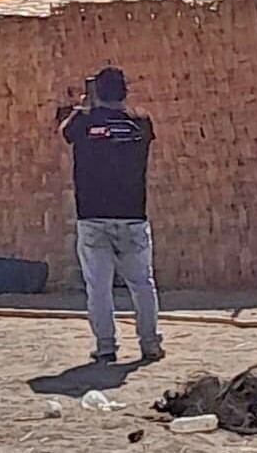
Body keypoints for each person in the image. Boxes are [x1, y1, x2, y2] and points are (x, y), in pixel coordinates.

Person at [59, 66, 163, 363]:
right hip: (132, 215)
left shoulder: (83, 121)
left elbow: (65, 132)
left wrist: (85, 106)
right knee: (142, 284)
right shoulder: (140, 124)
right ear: (124, 92)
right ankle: (149, 343)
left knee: (99, 287)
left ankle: (106, 346)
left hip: (93, 216)